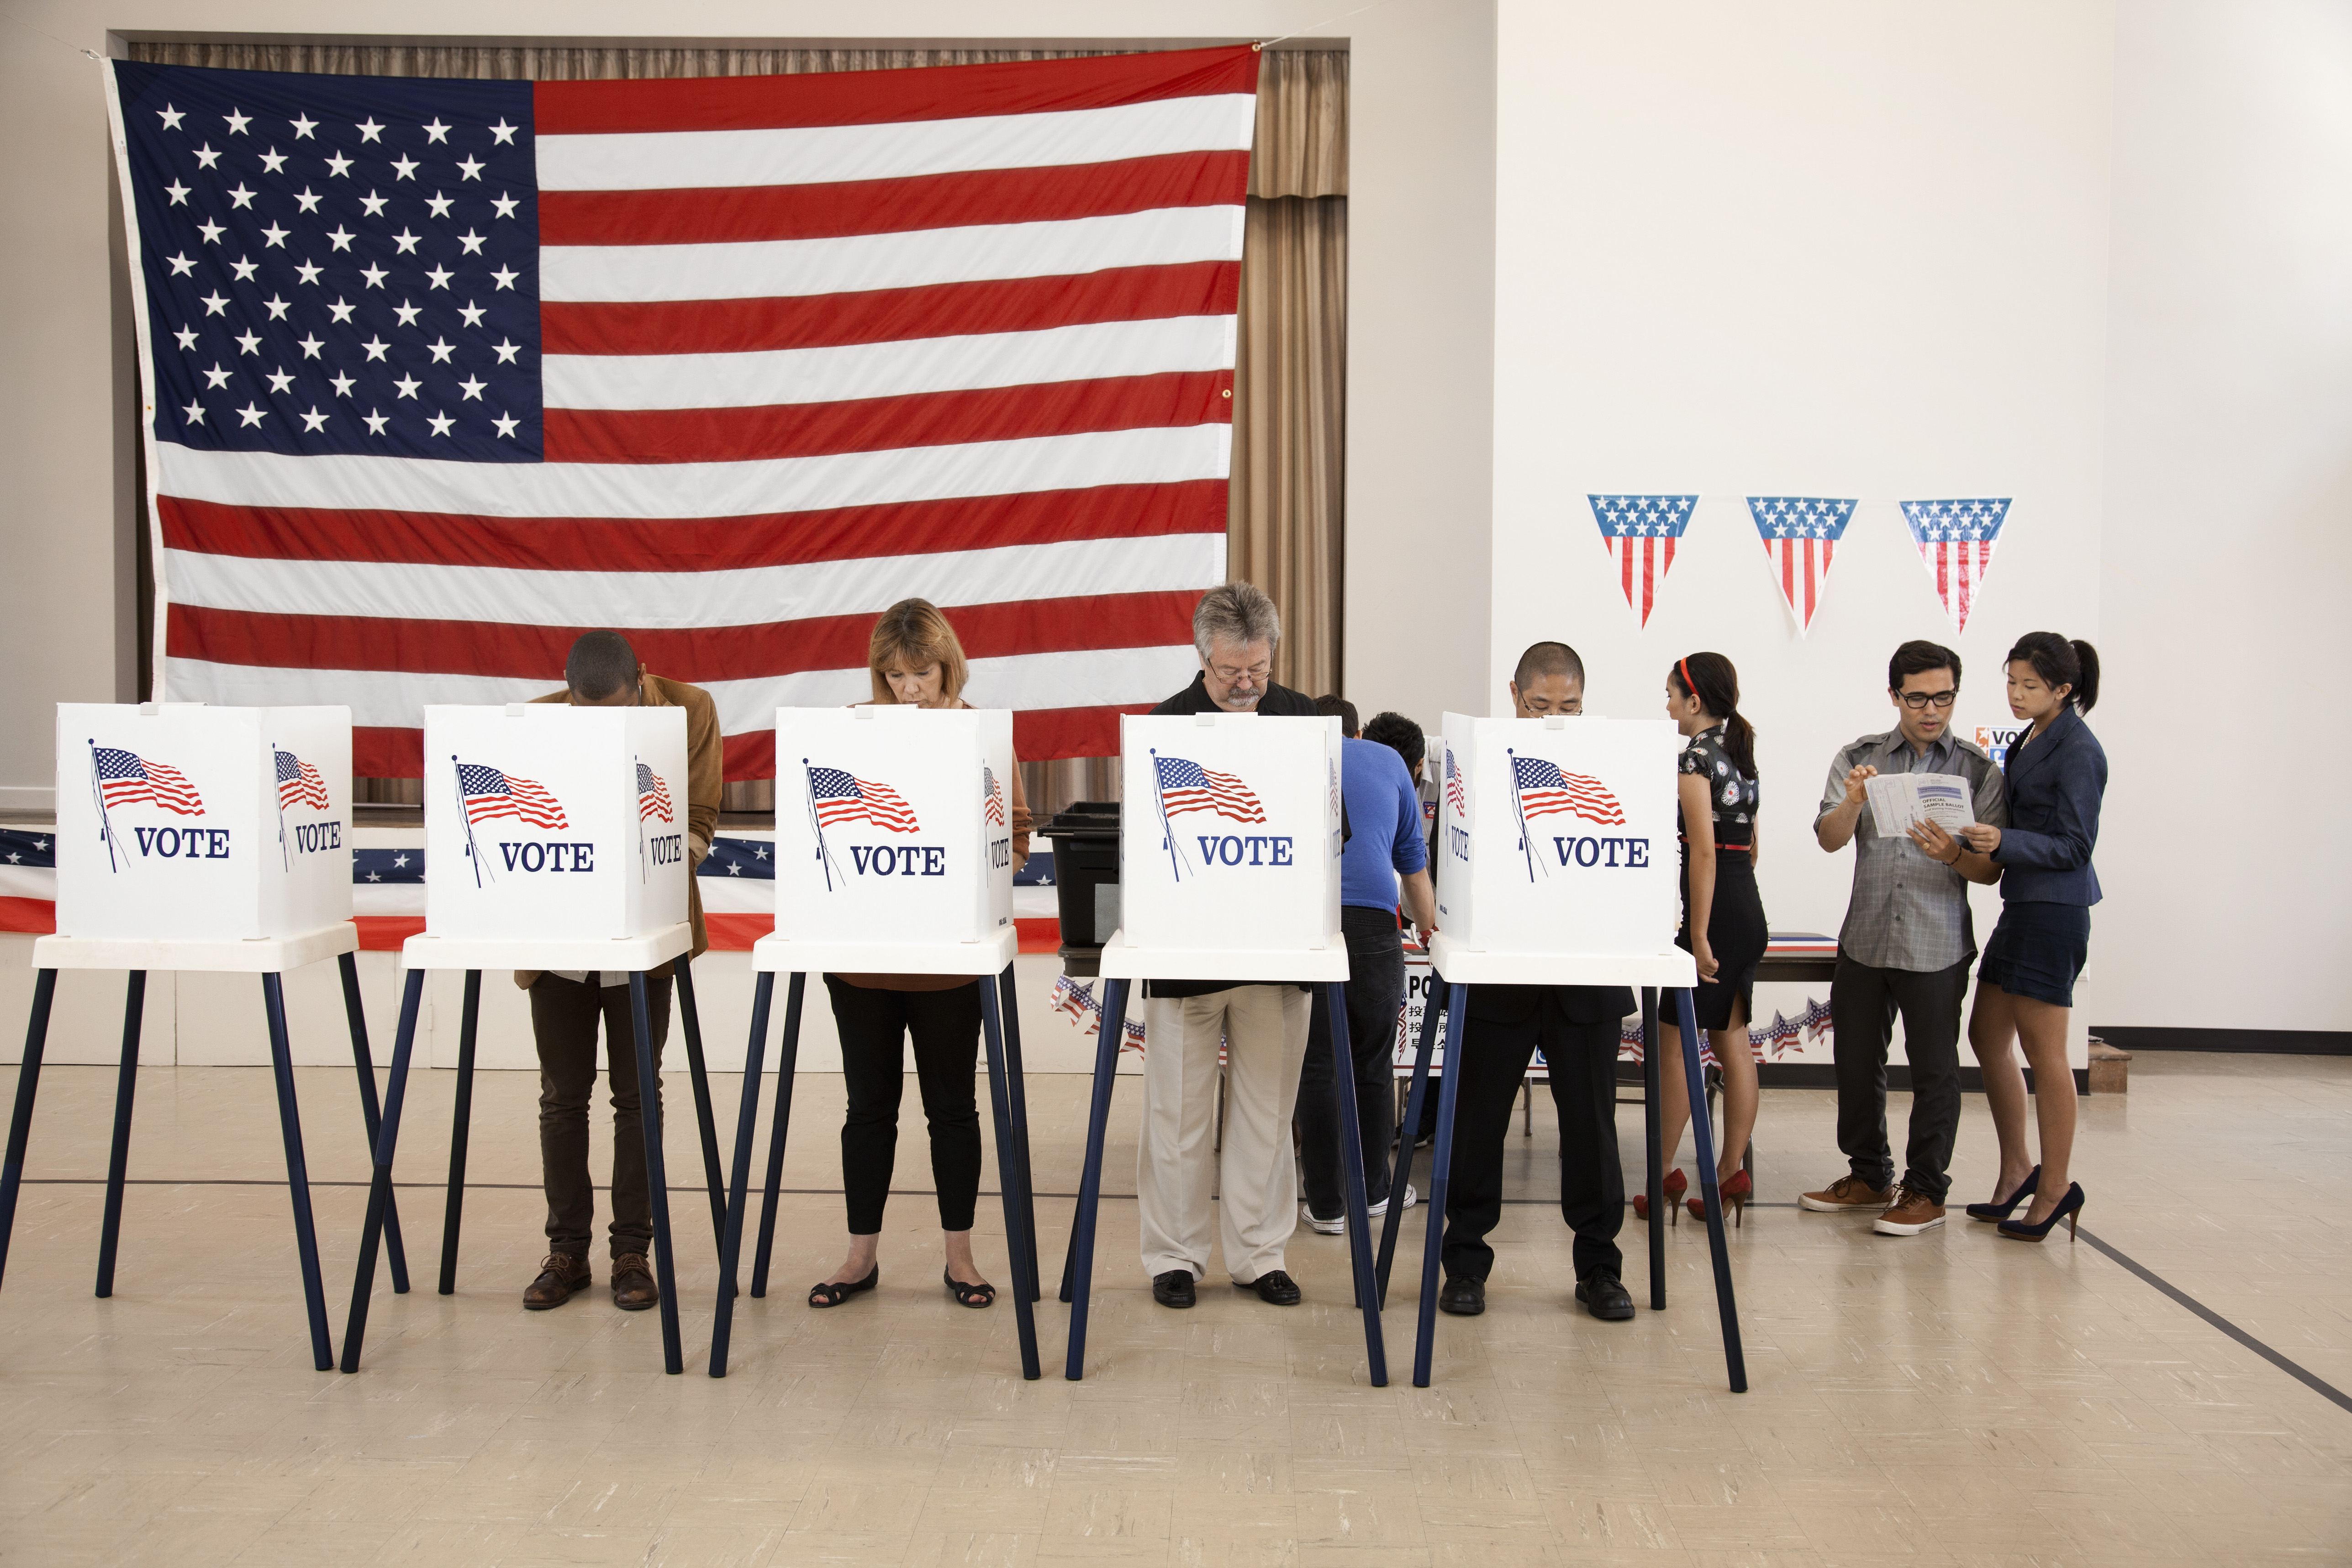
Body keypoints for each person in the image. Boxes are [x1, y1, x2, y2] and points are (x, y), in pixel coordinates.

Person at [807, 600, 1034, 1310]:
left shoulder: (979, 733)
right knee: (867, 1109)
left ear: (949, 666)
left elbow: (1018, 831)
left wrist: (992, 873)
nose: (909, 688)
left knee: (952, 1109)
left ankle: (960, 1259)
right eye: (895, 674)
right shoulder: (854, 730)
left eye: (922, 672)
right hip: (863, 961)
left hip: (948, 963)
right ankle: (858, 1258)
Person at [518, 631, 722, 1313]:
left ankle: (632, 1249)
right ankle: (566, 1251)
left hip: (644, 934)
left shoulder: (689, 709)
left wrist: (647, 870)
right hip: (561, 941)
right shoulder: (536, 720)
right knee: (561, 1096)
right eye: (587, 715)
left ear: (640, 679)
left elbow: (700, 820)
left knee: (637, 1094)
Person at [1434, 642, 1639, 1322]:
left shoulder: (1612, 764)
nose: (1555, 717)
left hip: (1585, 979)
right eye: (1542, 705)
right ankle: (1464, 1264)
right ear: (1515, 695)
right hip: (1500, 977)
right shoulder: (1478, 763)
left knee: (1591, 1131)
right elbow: (1451, 862)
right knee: (1476, 1126)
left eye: (1570, 707)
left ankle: (1600, 1269)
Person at [1138, 582, 1322, 1309]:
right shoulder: (1163, 727)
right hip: (1186, 953)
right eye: (1230, 672)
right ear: (1200, 657)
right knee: (1177, 1115)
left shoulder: (1304, 720)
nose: (1245, 685)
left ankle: (1258, 1254)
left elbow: (1326, 836)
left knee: (1266, 1113)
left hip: (1276, 953)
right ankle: (1175, 1256)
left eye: (1257, 669)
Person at [1802, 640, 2008, 1236]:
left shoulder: (1976, 768)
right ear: (1894, 695)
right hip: (1865, 936)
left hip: (1936, 943)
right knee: (1855, 1061)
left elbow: (1990, 871)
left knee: (1935, 1069)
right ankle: (1868, 1175)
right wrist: (1853, 800)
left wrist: (1954, 855)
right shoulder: (1859, 757)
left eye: (1942, 697)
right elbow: (1829, 838)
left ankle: (1925, 1189)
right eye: (1917, 697)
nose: (1930, 709)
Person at [1957, 633, 2106, 1242]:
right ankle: (2018, 1166)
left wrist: (2003, 842)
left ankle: (2055, 1187)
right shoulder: (2032, 736)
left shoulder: (2078, 749)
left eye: (2029, 686)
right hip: (2022, 905)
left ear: (2063, 690)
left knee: (2047, 1057)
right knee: (1985, 1033)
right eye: (2011, 682)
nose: (2016, 695)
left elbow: (2075, 846)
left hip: (2054, 912)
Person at [1297, 701, 1436, 1235]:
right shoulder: (1387, 761)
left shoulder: (1297, 757)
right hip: (1375, 926)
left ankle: (1326, 1204)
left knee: (1317, 1065)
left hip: (1309, 921)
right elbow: (1414, 872)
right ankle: (1375, 1192)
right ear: (1356, 730)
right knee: (1373, 1062)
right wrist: (1430, 934)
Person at [1646, 653, 1768, 1229]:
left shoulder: (1695, 756)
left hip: (1715, 916)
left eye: (1671, 694)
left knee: (1672, 1047)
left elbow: (1700, 850)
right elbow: (1749, 846)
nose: (1667, 705)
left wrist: (1695, 931)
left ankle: (1662, 1172)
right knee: (1733, 1045)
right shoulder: (1740, 752)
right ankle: (1727, 1173)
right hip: (1747, 907)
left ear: (1694, 700)